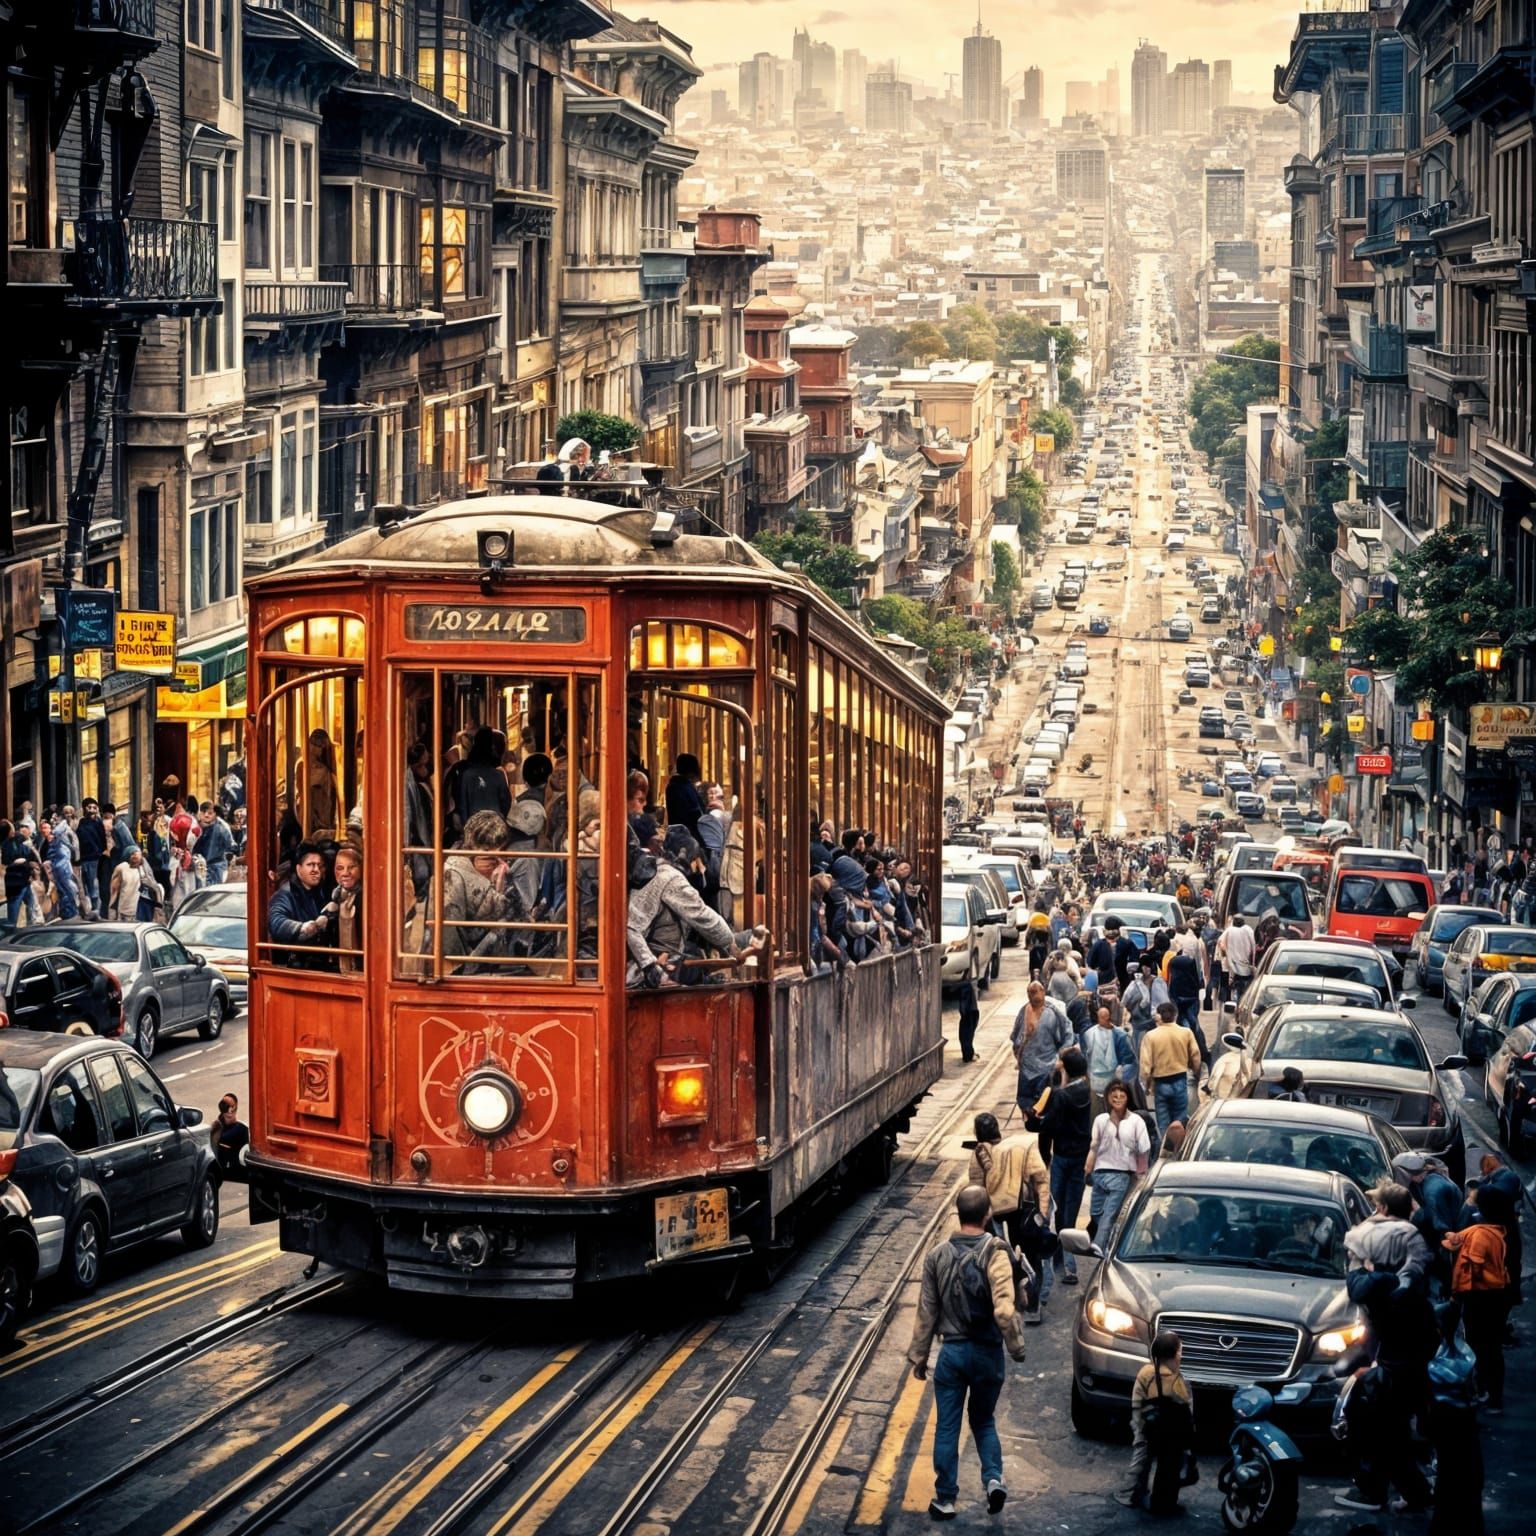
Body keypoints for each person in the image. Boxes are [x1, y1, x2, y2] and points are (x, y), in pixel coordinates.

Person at [907, 1184, 1027, 1520]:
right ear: (988, 1214)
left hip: (953, 1354)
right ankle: (993, 1479)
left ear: (959, 1214)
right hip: (988, 1354)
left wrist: (919, 1356)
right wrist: (1016, 1348)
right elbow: (1005, 1310)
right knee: (983, 1420)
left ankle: (945, 1498)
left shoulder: (936, 1256)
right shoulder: (997, 1253)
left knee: (947, 1425)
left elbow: (926, 1312)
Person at [627, 831, 767, 987]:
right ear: (687, 857)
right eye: (695, 861)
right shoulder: (672, 878)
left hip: (650, 960)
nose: (696, 868)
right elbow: (702, 915)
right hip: (652, 966)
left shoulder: (659, 870)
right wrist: (731, 943)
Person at [968, 1111, 1050, 1323]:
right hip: (1023, 1211)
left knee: (1001, 1257)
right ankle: (1032, 1304)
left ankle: (1007, 1299)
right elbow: (1040, 1179)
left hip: (993, 1213)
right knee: (1029, 1256)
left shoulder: (979, 1153)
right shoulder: (1020, 1147)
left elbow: (976, 1188)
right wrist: (1043, 1211)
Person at [1443, 1183, 1512, 1413]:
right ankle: (1490, 1393)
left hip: (1481, 1297)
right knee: (1489, 1346)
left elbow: (1474, 1266)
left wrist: (1459, 1294)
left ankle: (1487, 1393)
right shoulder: (1496, 1230)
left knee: (1482, 1346)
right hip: (1495, 1296)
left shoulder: (1481, 1234)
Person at [1031, 1048, 1093, 1295]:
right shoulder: (1086, 1091)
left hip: (1063, 1157)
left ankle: (1061, 1262)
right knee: (1071, 1208)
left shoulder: (1062, 1095)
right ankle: (1068, 1262)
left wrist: (1036, 1121)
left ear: (1067, 1068)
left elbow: (1050, 1126)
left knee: (1053, 1208)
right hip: (1080, 1156)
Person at [1118, 1330, 1193, 1513]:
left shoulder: (1145, 1372)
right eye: (1180, 1350)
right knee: (1169, 1464)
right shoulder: (1177, 1381)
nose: (1181, 1354)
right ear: (1175, 1355)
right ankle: (1162, 1501)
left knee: (1141, 1459)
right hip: (1167, 1430)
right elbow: (1187, 1409)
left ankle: (1130, 1494)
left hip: (1145, 1424)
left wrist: (1137, 1424)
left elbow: (1137, 1398)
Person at [1085, 1080, 1150, 1242]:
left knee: (1109, 1215)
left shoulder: (1136, 1121)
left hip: (1122, 1176)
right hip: (1100, 1175)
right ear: (1108, 1097)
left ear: (1128, 1097)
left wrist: (1140, 1176)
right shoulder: (1100, 1120)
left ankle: (1100, 1247)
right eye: (1114, 1095)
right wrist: (1088, 1169)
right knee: (1096, 1213)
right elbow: (1094, 1147)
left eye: (1122, 1094)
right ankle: (1113, 1238)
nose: (1118, 1098)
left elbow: (1144, 1150)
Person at [1345, 1181, 1432, 1292]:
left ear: (1384, 1208)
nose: (1376, 1211)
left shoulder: (1375, 1232)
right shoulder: (1415, 1233)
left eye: (1378, 1207)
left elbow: (1350, 1244)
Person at [267, 842, 339, 969]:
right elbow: (277, 923)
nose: (316, 870)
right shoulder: (285, 894)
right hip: (293, 968)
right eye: (310, 865)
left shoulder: (321, 891)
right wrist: (309, 927)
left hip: (318, 963)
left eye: (319, 865)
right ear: (298, 868)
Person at [1011, 981, 1073, 1122]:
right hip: (1027, 1067)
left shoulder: (1052, 1012)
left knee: (1046, 1108)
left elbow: (1068, 1033)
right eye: (1031, 992)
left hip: (1047, 1066)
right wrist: (1018, 1054)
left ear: (1044, 992)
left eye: (1038, 991)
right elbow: (1015, 1037)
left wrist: (1061, 1056)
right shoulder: (1024, 1011)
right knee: (1026, 1105)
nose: (1035, 995)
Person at [1138, 1002, 1201, 1138]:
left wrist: (1147, 1085)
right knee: (1180, 1119)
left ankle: (1165, 1148)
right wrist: (1196, 1072)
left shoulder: (1150, 1036)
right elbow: (1195, 1056)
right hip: (1180, 1079)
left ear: (1159, 1016)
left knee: (1163, 1123)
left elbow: (1145, 1067)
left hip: (1160, 1083)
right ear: (1175, 1015)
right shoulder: (1185, 1033)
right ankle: (1179, 1148)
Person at [1081, 1004, 1137, 1113]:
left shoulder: (1120, 1035)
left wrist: (1122, 1072)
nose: (1103, 1019)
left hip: (1114, 1076)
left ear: (1109, 1017)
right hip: (1094, 1077)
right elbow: (1085, 1055)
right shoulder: (1089, 1034)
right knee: (1097, 1111)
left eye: (1105, 1016)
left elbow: (1128, 1059)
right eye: (1100, 1017)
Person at [302, 728, 340, 841]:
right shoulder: (302, 766)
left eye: (318, 745)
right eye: (312, 743)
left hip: (320, 821)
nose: (313, 748)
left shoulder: (323, 772)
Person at [332, 845, 364, 973]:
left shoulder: (366, 896)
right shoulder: (333, 896)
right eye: (340, 868)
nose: (345, 873)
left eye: (351, 867)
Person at [108, 848, 162, 921]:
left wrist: (150, 884)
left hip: (142, 909)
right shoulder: (122, 868)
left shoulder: (144, 868)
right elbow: (114, 892)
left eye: (137, 854)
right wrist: (112, 913)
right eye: (132, 854)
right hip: (126, 912)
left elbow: (155, 888)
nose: (135, 856)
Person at [76, 799, 106, 918]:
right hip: (83, 858)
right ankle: (88, 910)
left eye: (94, 807)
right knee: (85, 885)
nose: (92, 810)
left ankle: (96, 910)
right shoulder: (82, 822)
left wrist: (98, 852)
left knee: (93, 884)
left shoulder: (98, 823)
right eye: (89, 807)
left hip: (94, 858)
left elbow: (102, 840)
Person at [209, 1092, 249, 1181]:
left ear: (236, 1108)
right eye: (225, 1107)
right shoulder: (215, 1128)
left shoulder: (242, 1129)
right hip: (218, 1175)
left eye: (232, 1107)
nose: (229, 1111)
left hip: (237, 1176)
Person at [193, 801, 234, 886]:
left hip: (216, 867)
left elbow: (230, 846)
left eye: (210, 813)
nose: (206, 815)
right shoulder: (198, 827)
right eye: (203, 812)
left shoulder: (221, 828)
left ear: (215, 814)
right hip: (201, 866)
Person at [1218, 913, 1256, 1004]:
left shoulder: (1231, 930)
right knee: (1242, 991)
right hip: (1242, 966)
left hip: (1235, 966)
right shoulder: (1248, 930)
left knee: (1238, 990)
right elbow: (1253, 947)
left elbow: (1221, 943)